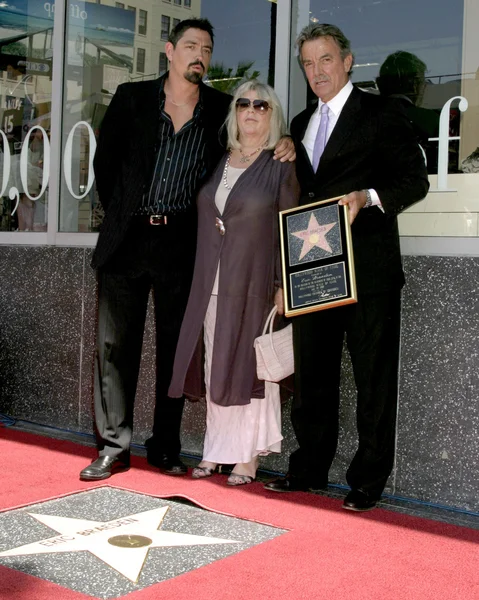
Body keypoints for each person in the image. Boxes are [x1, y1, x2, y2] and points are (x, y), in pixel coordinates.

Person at [79, 18, 294, 481]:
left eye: (208, 48)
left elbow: (251, 146)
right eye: (191, 45)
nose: (200, 54)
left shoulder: (222, 109)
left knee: (177, 350)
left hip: (183, 245)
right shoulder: (132, 98)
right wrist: (124, 213)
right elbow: (105, 163)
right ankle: (114, 447)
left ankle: (165, 447)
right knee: (115, 348)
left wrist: (288, 142)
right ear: (169, 50)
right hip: (128, 239)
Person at [264, 24, 429, 511]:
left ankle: (367, 481)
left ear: (348, 60)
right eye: (308, 64)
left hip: (370, 273)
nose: (317, 72)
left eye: (326, 60)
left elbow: (413, 181)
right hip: (314, 269)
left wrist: (369, 197)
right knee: (313, 378)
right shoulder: (300, 122)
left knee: (373, 381)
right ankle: (309, 468)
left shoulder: (382, 112)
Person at [168, 80, 299, 485]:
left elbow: (291, 227)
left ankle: (246, 458)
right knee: (215, 365)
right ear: (234, 112)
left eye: (262, 105)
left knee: (248, 370)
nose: (251, 111)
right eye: (244, 103)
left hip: (256, 282)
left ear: (272, 114)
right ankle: (216, 450)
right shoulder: (218, 158)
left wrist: (282, 284)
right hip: (211, 281)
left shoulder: (281, 164)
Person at [376, 51, 439, 172]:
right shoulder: (429, 119)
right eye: (423, 82)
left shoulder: (360, 119)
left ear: (380, 84)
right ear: (415, 85)